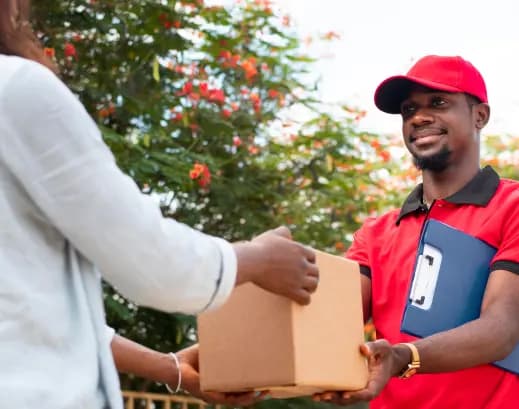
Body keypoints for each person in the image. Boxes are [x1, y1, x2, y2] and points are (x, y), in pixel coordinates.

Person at [0, 2, 319, 408]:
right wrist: (260, 260)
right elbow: (151, 261)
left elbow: (39, 314)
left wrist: (172, 369)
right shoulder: (16, 88)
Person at [315, 55, 519, 409]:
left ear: (479, 115)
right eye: (409, 110)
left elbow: (501, 329)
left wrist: (401, 357)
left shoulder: (512, 207)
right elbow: (326, 323)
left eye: (438, 103)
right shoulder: (376, 234)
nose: (419, 117)